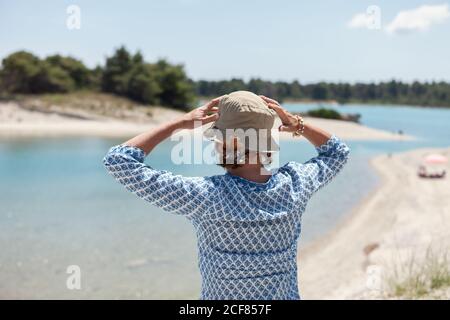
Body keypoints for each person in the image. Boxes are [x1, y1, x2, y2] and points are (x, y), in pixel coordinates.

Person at [103, 91, 350, 300]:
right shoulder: (295, 186)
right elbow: (337, 153)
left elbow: (119, 161)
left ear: (225, 143)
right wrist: (299, 125)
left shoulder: (206, 197)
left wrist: (179, 124)